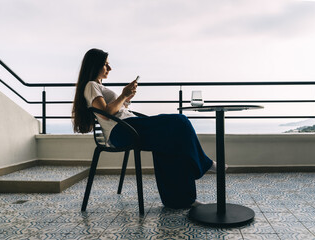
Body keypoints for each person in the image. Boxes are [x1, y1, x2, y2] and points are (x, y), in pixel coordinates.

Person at [72, 48, 217, 209]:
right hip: (123, 132)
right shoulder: (91, 85)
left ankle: (180, 200)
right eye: (106, 64)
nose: (110, 68)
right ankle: (204, 163)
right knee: (180, 121)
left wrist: (126, 99)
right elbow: (106, 114)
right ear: (95, 65)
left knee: (170, 143)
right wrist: (123, 95)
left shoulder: (97, 85)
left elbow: (115, 111)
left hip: (128, 127)